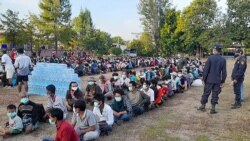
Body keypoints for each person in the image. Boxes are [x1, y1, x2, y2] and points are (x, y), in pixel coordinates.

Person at [198, 45, 227, 114]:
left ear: (215, 50)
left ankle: (202, 106)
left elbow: (206, 70)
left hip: (209, 79)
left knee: (206, 93)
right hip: (217, 80)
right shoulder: (223, 59)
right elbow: (224, 72)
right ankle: (212, 109)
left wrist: (203, 79)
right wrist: (223, 81)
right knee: (215, 94)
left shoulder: (210, 58)